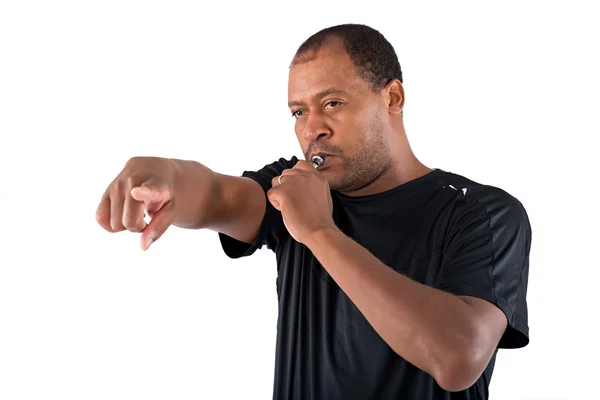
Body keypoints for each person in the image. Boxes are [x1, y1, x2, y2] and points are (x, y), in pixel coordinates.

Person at [96, 23, 531, 400]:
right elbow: (215, 195)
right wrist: (168, 173)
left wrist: (320, 232)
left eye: (332, 104)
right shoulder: (295, 187)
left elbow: (457, 358)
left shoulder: (481, 213)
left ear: (393, 97)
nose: (311, 129)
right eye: (298, 111)